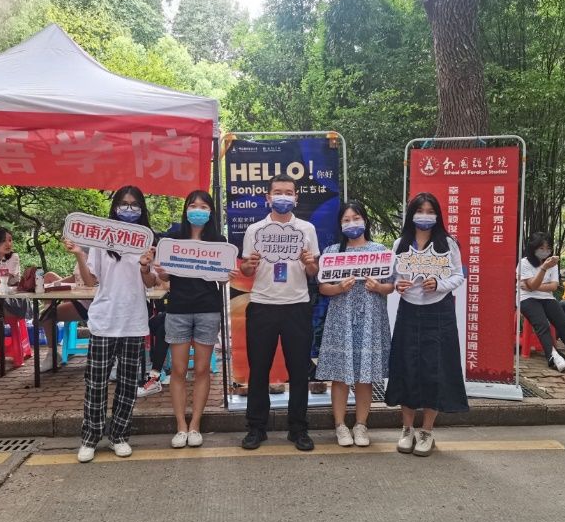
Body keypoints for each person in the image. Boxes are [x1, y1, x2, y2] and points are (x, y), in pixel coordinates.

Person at [69, 185, 158, 463]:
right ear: (115, 206)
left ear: (142, 208)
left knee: (128, 384)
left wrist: (145, 266)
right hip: (104, 319)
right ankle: (90, 437)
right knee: (95, 383)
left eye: (134, 204)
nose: (129, 209)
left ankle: (119, 435)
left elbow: (151, 283)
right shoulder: (100, 238)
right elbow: (91, 280)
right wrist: (80, 254)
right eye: (124, 203)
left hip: (133, 320)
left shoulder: (147, 239)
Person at [385, 192, 468, 457]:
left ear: (437, 215)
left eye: (430, 211)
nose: (424, 216)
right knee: (406, 367)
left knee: (435, 369)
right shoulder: (400, 243)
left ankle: (427, 431)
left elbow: (458, 275)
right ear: (411, 215)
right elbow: (392, 276)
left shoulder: (448, 243)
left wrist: (440, 284)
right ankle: (407, 429)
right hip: (408, 311)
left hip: (439, 312)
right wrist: (398, 285)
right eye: (419, 210)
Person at [240, 174, 320, 451]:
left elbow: (313, 271)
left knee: (298, 371)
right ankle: (256, 428)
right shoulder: (255, 230)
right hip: (262, 305)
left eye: (288, 192)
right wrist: (248, 265)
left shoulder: (307, 229)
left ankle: (298, 429)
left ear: (296, 198)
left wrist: (310, 263)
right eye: (278, 192)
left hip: (297, 306)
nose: (283, 196)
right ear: (268, 197)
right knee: (258, 370)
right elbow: (246, 270)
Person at [153, 190, 236, 448]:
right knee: (178, 370)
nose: (198, 210)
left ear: (211, 212)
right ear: (186, 209)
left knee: (201, 369)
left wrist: (228, 275)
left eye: (203, 206)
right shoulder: (172, 239)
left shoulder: (219, 241)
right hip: (178, 308)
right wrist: (160, 271)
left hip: (208, 309)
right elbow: (164, 278)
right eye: (193, 205)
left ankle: (195, 425)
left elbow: (223, 278)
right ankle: (180, 426)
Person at [316, 201, 394, 447]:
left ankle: (361, 425)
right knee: (339, 376)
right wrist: (338, 288)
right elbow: (322, 288)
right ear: (340, 224)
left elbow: (390, 286)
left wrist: (378, 287)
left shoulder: (379, 250)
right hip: (341, 318)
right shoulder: (332, 252)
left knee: (365, 376)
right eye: (346, 220)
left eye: (356, 218)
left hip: (370, 317)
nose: (352, 223)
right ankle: (340, 426)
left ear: (365, 221)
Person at [518, 232, 565, 372]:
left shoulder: (552, 263)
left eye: (548, 248)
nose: (545, 251)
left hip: (547, 298)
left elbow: (552, 287)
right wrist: (543, 269)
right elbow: (533, 286)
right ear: (533, 248)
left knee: (563, 324)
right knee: (542, 324)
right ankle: (552, 356)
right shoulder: (524, 263)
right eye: (541, 248)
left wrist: (531, 285)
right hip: (526, 298)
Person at [39, 250, 91, 372]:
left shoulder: (96, 253)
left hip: (88, 303)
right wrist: (54, 285)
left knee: (46, 317)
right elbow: (75, 278)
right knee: (49, 277)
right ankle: (51, 313)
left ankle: (52, 354)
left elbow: (90, 281)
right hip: (78, 297)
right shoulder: (82, 252)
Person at [0, 227, 21, 380]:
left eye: (10, 240)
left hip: (13, 303)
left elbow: (8, 281)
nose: (8, 244)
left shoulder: (13, 258)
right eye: (3, 241)